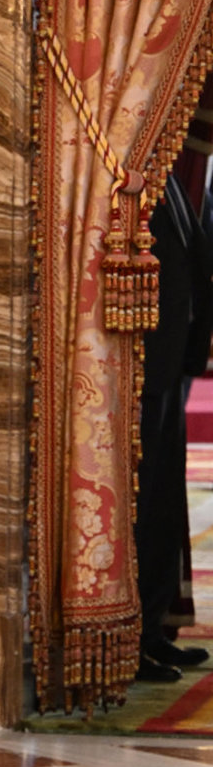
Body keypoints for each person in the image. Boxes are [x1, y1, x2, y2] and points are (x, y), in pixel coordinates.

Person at [135, 172, 213, 681]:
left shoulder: (173, 185)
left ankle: (154, 630)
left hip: (171, 365)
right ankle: (133, 640)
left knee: (163, 503)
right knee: (143, 505)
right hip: (143, 367)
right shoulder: (127, 184)